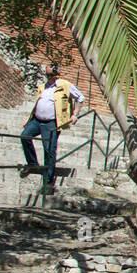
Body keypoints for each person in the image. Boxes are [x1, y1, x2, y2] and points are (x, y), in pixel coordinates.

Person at [20, 64, 84, 195]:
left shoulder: (65, 85)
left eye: (51, 75)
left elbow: (80, 97)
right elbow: (38, 103)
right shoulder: (43, 87)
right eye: (47, 75)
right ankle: (32, 163)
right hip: (36, 120)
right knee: (25, 136)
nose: (49, 77)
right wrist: (28, 119)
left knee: (49, 150)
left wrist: (74, 115)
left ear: (57, 75)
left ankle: (48, 181)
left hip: (51, 123)